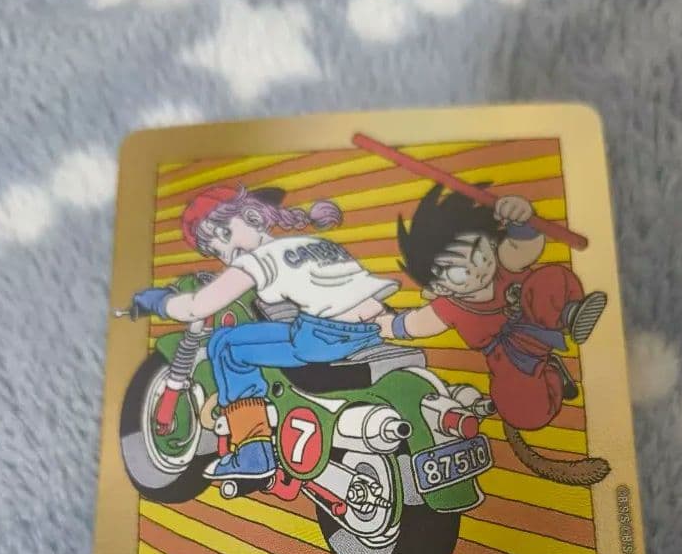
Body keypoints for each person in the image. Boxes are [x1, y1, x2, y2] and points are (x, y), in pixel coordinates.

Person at [132, 184, 398, 484]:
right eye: (215, 251)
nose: (224, 254)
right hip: (372, 327)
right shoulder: (314, 243)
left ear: (248, 218)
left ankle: (252, 453)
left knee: (225, 346)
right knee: (270, 333)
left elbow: (196, 307)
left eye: (222, 238)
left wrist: (158, 301)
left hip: (322, 338)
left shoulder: (258, 260)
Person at [380, 184, 610, 485]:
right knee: (521, 409)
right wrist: (386, 324)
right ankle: (551, 379)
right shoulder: (448, 306)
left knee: (547, 281)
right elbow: (414, 324)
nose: (477, 269)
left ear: (491, 241)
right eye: (459, 271)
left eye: (480, 253)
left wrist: (520, 220)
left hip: (541, 318)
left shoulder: (504, 264)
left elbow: (524, 247)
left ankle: (571, 313)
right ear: (438, 286)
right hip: (511, 356)